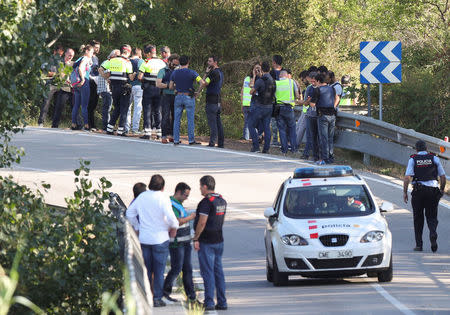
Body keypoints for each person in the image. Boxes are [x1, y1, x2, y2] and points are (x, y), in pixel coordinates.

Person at [126, 175, 179, 307]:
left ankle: (146, 296)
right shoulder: (163, 197)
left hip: (144, 238)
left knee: (146, 270)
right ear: (163, 187)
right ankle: (157, 298)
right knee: (159, 271)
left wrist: (137, 227)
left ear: (150, 185)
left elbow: (130, 213)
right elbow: (171, 217)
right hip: (160, 238)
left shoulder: (142, 197)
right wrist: (174, 227)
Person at [403, 140, 446, 252]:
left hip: (418, 191)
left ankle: (419, 245)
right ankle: (432, 233)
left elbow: (407, 177)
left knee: (418, 218)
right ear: (427, 149)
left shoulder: (413, 159)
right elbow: (442, 177)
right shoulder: (434, 158)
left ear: (416, 149)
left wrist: (404, 192)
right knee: (431, 217)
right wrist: (441, 190)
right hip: (432, 191)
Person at [193, 175, 227, 311]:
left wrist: (196, 238)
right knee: (218, 272)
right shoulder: (221, 200)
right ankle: (222, 302)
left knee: (207, 272)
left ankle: (209, 302)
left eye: (200, 186)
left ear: (205, 186)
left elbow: (202, 222)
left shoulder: (206, 202)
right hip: (219, 240)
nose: (200, 189)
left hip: (207, 241)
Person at [163, 182, 197, 303]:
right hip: (177, 243)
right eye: (185, 195)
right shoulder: (172, 204)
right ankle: (164, 292)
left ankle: (191, 296)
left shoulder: (179, 204)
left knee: (187, 269)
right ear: (178, 192)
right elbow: (177, 221)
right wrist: (191, 217)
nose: (186, 198)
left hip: (185, 242)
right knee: (176, 269)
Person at [169, 55, 205, 145]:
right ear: (188, 62)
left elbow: (170, 86)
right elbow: (202, 82)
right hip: (189, 96)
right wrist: (197, 92)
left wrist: (175, 89)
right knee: (190, 119)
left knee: (176, 119)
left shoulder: (174, 73)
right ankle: (191, 140)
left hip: (178, 96)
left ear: (179, 62)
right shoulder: (192, 73)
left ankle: (176, 139)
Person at [99, 44, 134, 136]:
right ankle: (121, 130)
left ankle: (109, 128)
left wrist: (106, 78)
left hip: (114, 88)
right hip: (124, 87)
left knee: (117, 108)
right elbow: (131, 77)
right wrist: (135, 74)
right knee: (124, 109)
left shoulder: (112, 60)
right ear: (128, 52)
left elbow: (100, 69)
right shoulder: (127, 62)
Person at [309, 72, 338, 165]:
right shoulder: (332, 88)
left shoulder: (318, 90)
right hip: (332, 115)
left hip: (323, 115)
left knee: (323, 138)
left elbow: (312, 104)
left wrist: (311, 101)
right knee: (330, 138)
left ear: (318, 81)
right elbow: (337, 98)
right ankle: (331, 157)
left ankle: (324, 159)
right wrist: (333, 106)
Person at [138, 45, 166, 139]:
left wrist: (144, 80)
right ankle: (159, 133)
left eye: (146, 54)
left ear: (149, 53)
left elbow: (140, 77)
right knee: (158, 111)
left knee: (147, 110)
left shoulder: (146, 62)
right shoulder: (162, 62)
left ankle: (148, 133)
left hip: (148, 89)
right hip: (159, 89)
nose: (145, 56)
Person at [249, 61, 275, 153]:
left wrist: (256, 78)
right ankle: (266, 149)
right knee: (266, 127)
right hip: (269, 106)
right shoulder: (273, 80)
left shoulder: (260, 80)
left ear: (262, 69)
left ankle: (256, 146)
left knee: (251, 125)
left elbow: (251, 91)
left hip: (260, 106)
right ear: (269, 69)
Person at [198, 56, 224, 148]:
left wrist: (206, 73)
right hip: (218, 101)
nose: (208, 63)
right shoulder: (220, 72)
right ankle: (221, 143)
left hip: (211, 101)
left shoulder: (213, 73)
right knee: (218, 122)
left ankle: (212, 142)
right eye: (208, 61)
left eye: (210, 61)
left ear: (215, 62)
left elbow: (204, 83)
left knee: (212, 122)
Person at [38, 43, 65, 127]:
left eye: (61, 54)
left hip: (59, 84)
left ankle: (55, 123)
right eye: (58, 54)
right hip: (50, 83)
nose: (59, 56)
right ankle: (41, 122)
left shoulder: (62, 61)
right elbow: (44, 71)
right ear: (54, 52)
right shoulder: (48, 60)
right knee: (46, 102)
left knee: (59, 104)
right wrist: (55, 74)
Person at [156, 54, 180, 143]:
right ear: (169, 62)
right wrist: (169, 86)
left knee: (174, 116)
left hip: (176, 96)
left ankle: (172, 135)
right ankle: (163, 136)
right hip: (165, 95)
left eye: (177, 65)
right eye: (173, 64)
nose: (175, 67)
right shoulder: (162, 71)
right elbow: (158, 84)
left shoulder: (178, 72)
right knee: (165, 116)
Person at [275, 70, 299, 154]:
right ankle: (294, 149)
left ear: (280, 76)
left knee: (281, 129)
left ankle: (284, 149)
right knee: (292, 128)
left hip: (279, 108)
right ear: (286, 75)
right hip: (289, 108)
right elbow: (297, 95)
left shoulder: (276, 83)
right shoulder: (291, 82)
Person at [71, 45, 94, 131]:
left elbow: (72, 65)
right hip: (83, 83)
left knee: (76, 105)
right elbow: (81, 68)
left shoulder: (78, 58)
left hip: (76, 83)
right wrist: (83, 79)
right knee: (84, 106)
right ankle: (86, 125)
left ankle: (73, 123)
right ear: (87, 51)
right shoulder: (85, 59)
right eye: (91, 52)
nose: (92, 54)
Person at [51, 48, 75, 128]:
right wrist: (66, 79)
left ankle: (77, 125)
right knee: (59, 107)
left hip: (72, 89)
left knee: (74, 107)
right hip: (63, 88)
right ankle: (55, 125)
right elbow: (60, 74)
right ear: (65, 54)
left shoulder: (73, 64)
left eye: (72, 56)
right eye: (69, 55)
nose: (70, 57)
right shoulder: (60, 63)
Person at [98, 49, 120, 132]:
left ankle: (108, 126)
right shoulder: (108, 62)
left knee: (108, 107)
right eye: (117, 56)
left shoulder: (109, 62)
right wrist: (107, 78)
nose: (119, 57)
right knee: (107, 108)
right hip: (105, 88)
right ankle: (106, 126)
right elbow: (106, 73)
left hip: (108, 88)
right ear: (112, 55)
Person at [303, 70, 320, 161]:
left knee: (318, 136)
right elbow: (305, 103)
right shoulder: (309, 88)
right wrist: (309, 100)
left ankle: (317, 155)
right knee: (310, 136)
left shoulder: (322, 88)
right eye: (311, 81)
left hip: (319, 115)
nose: (313, 83)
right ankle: (307, 154)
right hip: (310, 114)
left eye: (314, 81)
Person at [127, 47, 145, 134]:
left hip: (128, 85)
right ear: (139, 53)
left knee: (127, 107)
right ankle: (135, 128)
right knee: (137, 107)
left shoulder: (127, 61)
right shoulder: (141, 61)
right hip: (138, 85)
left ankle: (126, 127)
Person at [269, 55, 284, 147]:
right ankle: (282, 141)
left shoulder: (271, 73)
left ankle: (275, 140)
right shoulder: (286, 72)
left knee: (274, 121)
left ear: (274, 62)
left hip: (275, 101)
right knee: (280, 122)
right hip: (284, 101)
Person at [87, 40, 101, 130]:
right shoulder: (88, 57)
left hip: (96, 82)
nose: (98, 49)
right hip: (89, 81)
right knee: (90, 103)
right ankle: (88, 124)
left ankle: (92, 124)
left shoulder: (96, 58)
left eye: (99, 48)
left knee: (94, 104)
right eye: (96, 47)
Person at [241, 66, 253, 140]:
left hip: (246, 103)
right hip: (251, 104)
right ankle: (248, 138)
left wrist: (242, 102)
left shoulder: (246, 79)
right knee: (252, 123)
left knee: (247, 122)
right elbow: (242, 91)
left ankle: (246, 138)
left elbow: (242, 91)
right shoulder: (255, 79)